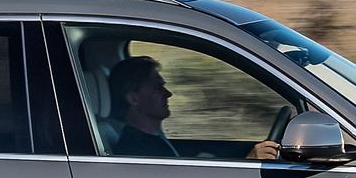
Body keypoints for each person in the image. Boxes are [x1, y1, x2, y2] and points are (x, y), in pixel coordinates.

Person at [104, 55, 279, 160]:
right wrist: (249, 163)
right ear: (133, 98)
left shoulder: (151, 140)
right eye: (157, 87)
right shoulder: (138, 150)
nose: (168, 94)